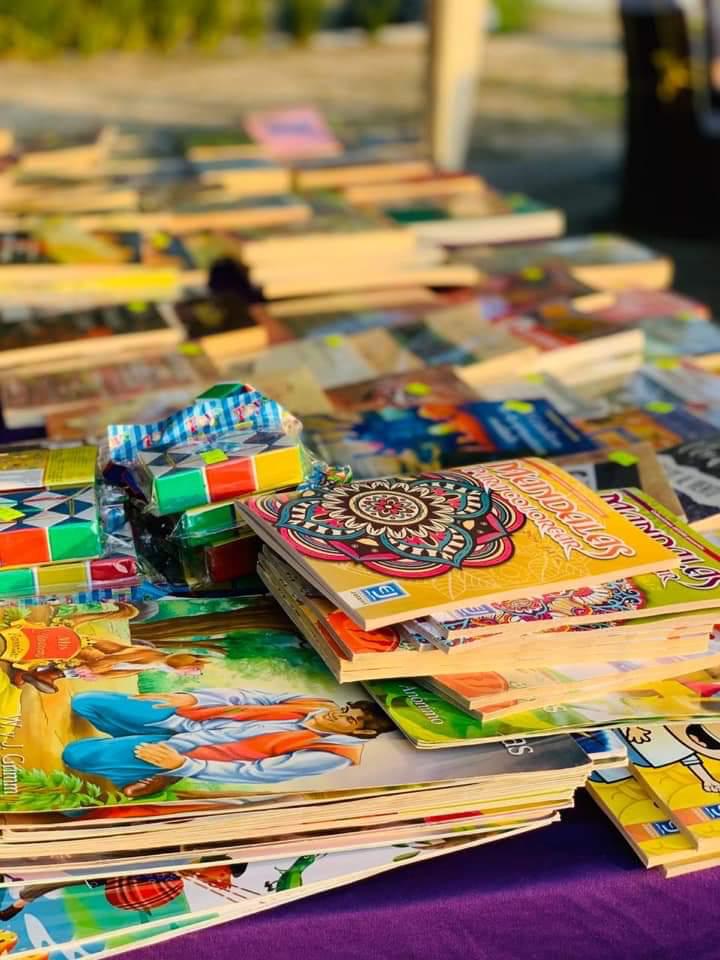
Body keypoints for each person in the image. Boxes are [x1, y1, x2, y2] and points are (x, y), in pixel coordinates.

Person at [62, 688, 395, 799]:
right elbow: (249, 696)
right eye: (346, 709)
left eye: (349, 720)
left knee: (76, 756)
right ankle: (132, 746)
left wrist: (183, 765)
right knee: (86, 702)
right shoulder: (317, 704)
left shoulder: (334, 754)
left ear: (362, 734)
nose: (338, 714)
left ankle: (160, 770)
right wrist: (190, 698)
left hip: (191, 752)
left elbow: (255, 773)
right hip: (187, 719)